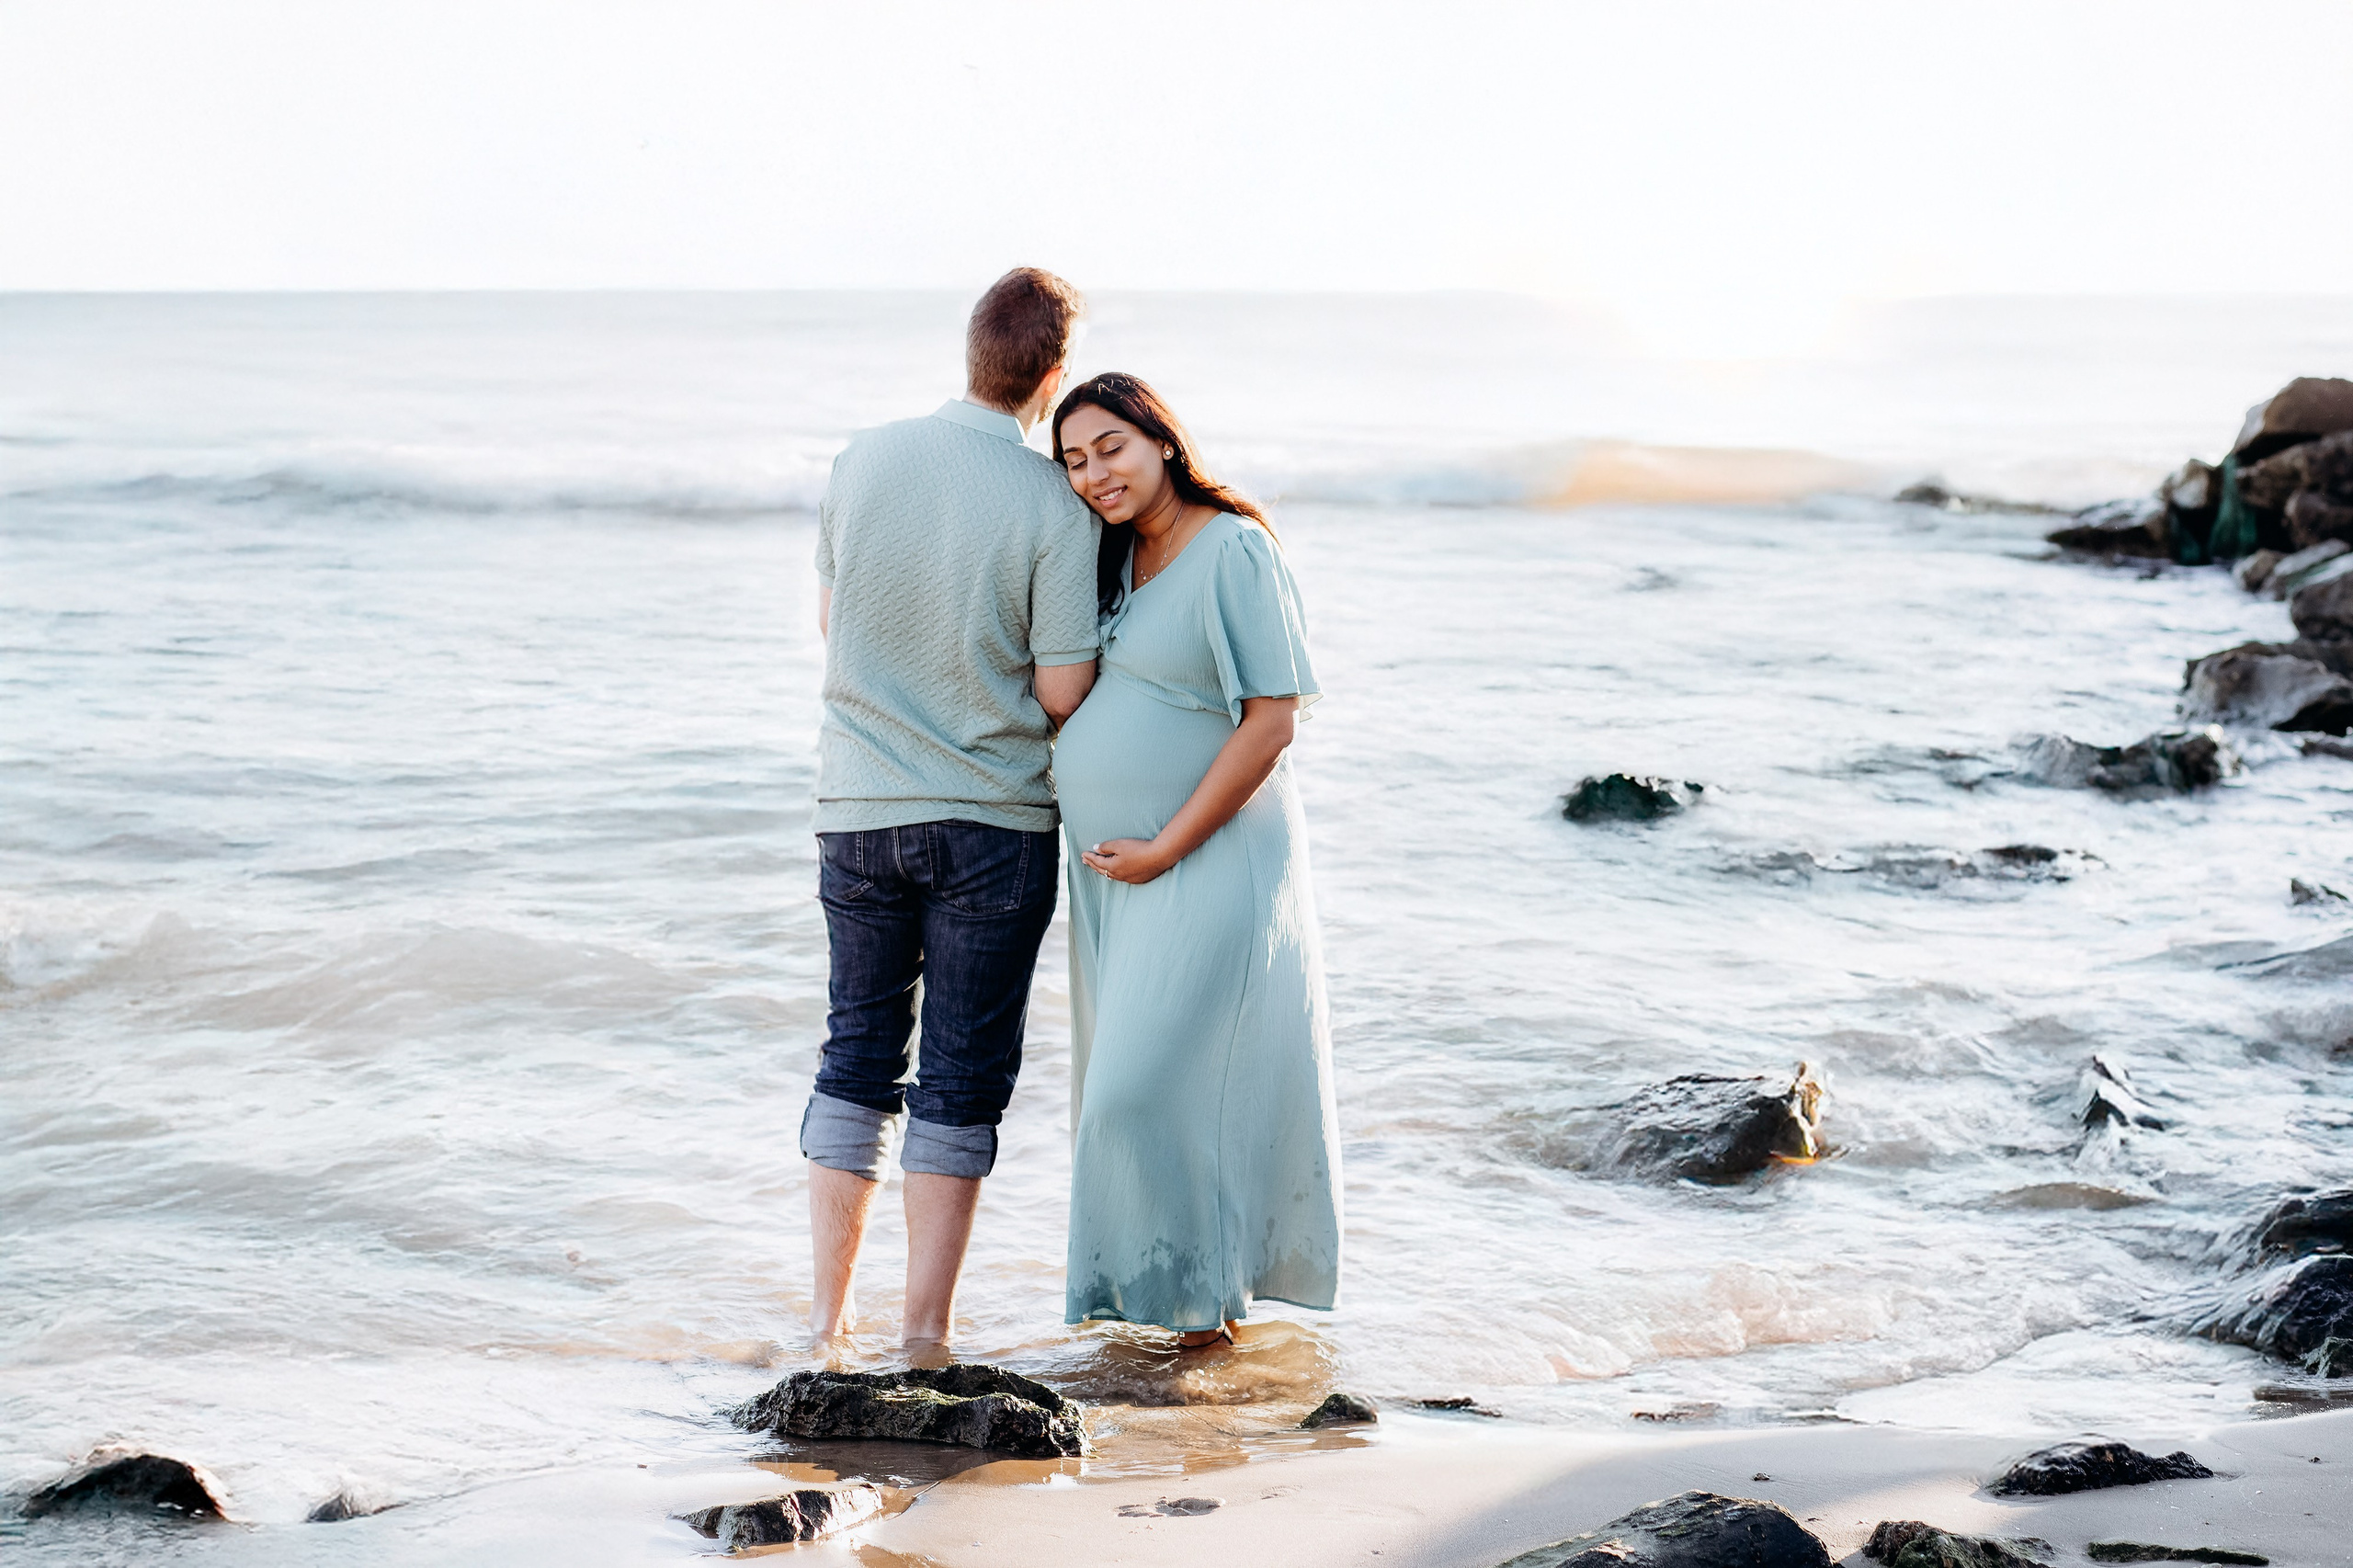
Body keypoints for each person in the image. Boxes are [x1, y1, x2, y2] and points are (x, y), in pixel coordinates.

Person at [800, 267, 1099, 1346]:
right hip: (993, 818)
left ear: (970, 347)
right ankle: (923, 1329)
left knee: (854, 1054)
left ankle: (825, 1325)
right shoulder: (1050, 501)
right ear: (1051, 376)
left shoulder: (863, 457)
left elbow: (834, 620)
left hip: (859, 806)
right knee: (960, 1077)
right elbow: (1064, 690)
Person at [1048, 372, 1342, 1347]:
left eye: (1110, 448)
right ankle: (1189, 1324)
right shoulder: (1116, 560)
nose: (1094, 474)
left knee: (1136, 1088)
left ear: (1162, 441)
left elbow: (1271, 723)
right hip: (1121, 878)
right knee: (1143, 1091)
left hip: (1212, 855)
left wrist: (1168, 843)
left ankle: (1201, 1321)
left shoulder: (1235, 550)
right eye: (1074, 460)